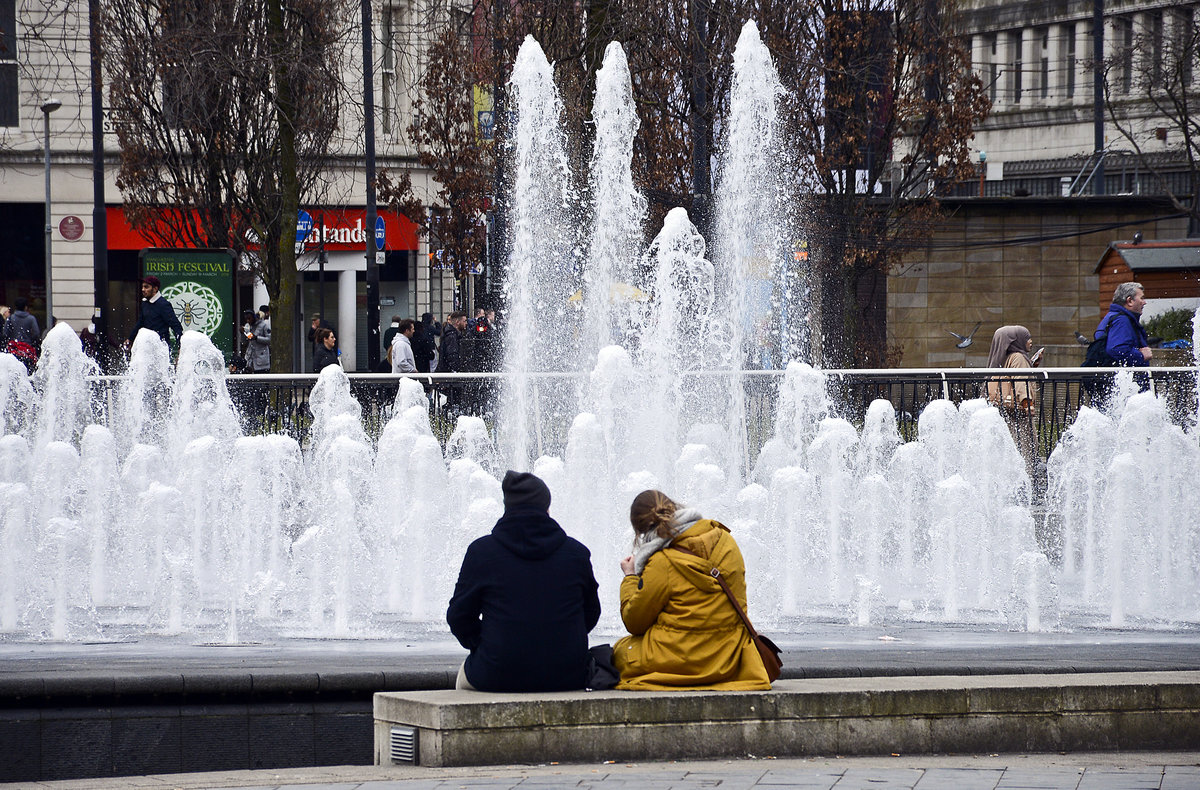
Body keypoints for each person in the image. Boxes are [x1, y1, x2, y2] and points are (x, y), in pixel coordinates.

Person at [446, 471, 601, 692]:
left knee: (463, 682)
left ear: (507, 508)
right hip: (567, 675)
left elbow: (458, 616)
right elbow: (591, 612)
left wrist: (484, 644)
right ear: (547, 507)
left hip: (496, 673)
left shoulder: (482, 552)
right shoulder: (576, 553)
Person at [612, 490, 771, 691]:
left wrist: (630, 578)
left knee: (620, 652)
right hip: (731, 658)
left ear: (641, 532)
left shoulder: (662, 562)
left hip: (680, 659)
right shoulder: (725, 539)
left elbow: (635, 622)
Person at [985, 325, 1040, 466]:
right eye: (1026, 338)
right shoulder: (1018, 357)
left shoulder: (1002, 357)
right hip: (1019, 414)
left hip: (1005, 412)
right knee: (1025, 451)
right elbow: (1021, 381)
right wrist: (1027, 403)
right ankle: (1026, 483)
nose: (1030, 341)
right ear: (1015, 341)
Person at [1096, 282, 1152, 367]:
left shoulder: (1111, 316)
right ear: (1129, 301)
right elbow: (1117, 349)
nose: (1144, 302)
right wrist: (1141, 355)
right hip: (1122, 377)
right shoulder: (1121, 320)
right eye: (1142, 298)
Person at [125, 276, 184, 348]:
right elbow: (140, 323)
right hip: (147, 344)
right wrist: (130, 339)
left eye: (146, 287)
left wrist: (180, 347)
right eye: (142, 287)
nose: (143, 290)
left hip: (160, 346)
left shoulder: (163, 304)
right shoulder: (145, 303)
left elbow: (175, 325)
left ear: (155, 289)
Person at [436, 312, 468, 410]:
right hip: (450, 375)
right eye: (464, 321)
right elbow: (452, 355)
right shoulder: (452, 336)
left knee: (452, 400)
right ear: (458, 322)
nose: (466, 323)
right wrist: (456, 370)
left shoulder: (450, 334)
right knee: (453, 400)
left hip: (448, 373)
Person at [247, 305, 272, 373]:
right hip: (252, 360)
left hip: (262, 360)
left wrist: (257, 338)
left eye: (249, 319)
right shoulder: (250, 326)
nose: (248, 321)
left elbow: (269, 340)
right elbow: (248, 340)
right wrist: (244, 333)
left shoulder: (265, 325)